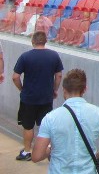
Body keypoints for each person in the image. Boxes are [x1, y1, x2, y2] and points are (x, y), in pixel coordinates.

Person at [32, 68, 99, 172]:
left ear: (64, 89)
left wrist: (50, 149)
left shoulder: (50, 118)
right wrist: (95, 158)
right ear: (85, 89)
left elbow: (36, 156)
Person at [12, 31, 64, 162]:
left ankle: (27, 151)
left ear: (33, 41)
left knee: (28, 126)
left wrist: (22, 89)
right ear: (45, 41)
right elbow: (59, 75)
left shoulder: (25, 56)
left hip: (28, 97)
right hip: (46, 97)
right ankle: (49, 150)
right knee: (46, 125)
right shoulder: (54, 56)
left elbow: (15, 77)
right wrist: (55, 90)